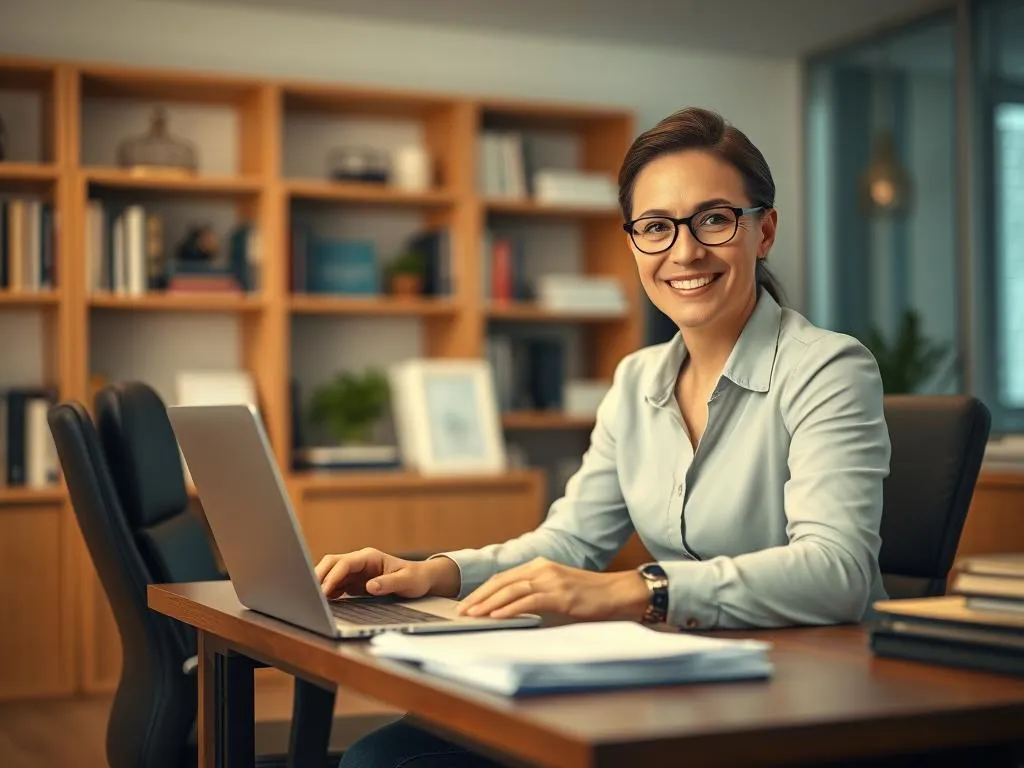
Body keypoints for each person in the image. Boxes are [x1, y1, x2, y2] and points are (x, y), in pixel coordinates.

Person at [317, 105, 892, 768]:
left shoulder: (827, 367)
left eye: (713, 219)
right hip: (683, 678)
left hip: (805, 696)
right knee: (381, 757)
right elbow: (569, 542)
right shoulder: (636, 379)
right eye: (656, 227)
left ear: (763, 231)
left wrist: (641, 589)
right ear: (634, 243)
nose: (684, 251)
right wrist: (435, 573)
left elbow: (837, 571)